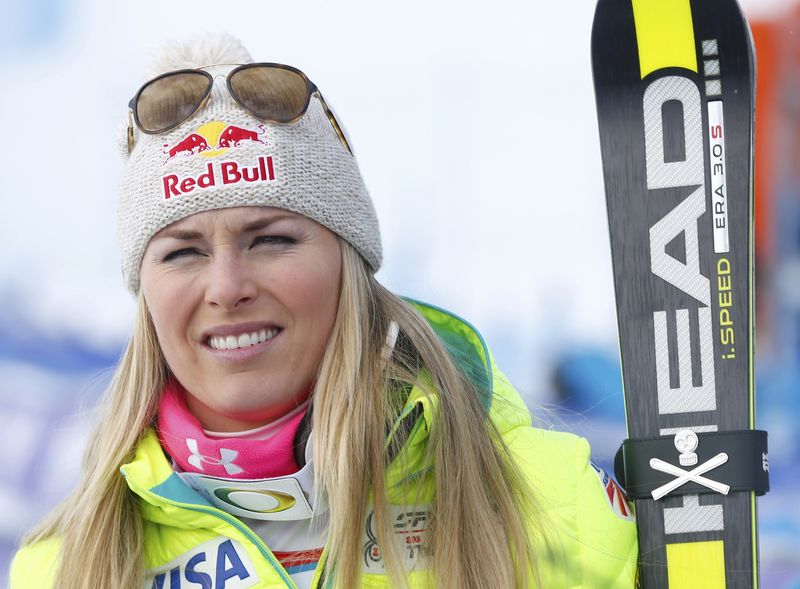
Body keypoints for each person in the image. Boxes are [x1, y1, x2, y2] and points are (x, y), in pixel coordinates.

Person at [9, 34, 637, 589]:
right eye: (182, 252)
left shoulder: (543, 504)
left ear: (349, 263)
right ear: (144, 292)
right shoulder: (68, 565)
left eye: (272, 239)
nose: (227, 287)